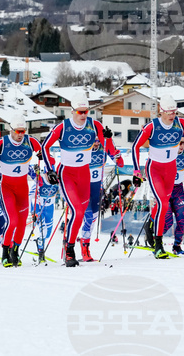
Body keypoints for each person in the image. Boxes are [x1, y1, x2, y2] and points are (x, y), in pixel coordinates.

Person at [131, 95, 184, 259]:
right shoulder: (153, 126)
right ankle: (158, 245)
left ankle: (151, 223)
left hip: (171, 169)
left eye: (174, 112)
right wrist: (136, 171)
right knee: (163, 203)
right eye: (169, 112)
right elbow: (135, 146)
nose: (172, 115)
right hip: (155, 168)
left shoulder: (181, 123)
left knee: (162, 205)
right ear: (161, 111)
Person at [42, 97, 110, 267]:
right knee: (78, 211)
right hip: (68, 175)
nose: (83, 115)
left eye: (86, 111)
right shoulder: (63, 127)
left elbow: (107, 145)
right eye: (80, 112)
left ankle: (73, 244)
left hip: (84, 175)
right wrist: (50, 169)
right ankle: (70, 249)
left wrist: (108, 139)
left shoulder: (94, 125)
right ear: (72, 111)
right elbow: (45, 147)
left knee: (80, 215)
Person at [0, 116, 44, 267]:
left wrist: (42, 155)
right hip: (7, 187)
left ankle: (15, 252)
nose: (20, 134)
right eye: (17, 131)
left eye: (23, 131)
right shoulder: (2, 143)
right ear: (11, 130)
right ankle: (4, 252)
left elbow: (45, 152)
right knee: (13, 221)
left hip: (23, 187)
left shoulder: (30, 141)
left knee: (23, 223)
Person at [79, 134, 125, 262]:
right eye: (94, 141)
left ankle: (85, 245)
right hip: (83, 189)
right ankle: (82, 249)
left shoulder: (103, 151)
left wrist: (118, 156)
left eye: (99, 141)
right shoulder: (82, 150)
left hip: (96, 190)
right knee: (87, 218)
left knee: (92, 221)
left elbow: (120, 164)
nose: (97, 143)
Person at [30, 165, 59, 259]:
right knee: (44, 230)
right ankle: (41, 253)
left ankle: (39, 242)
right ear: (45, 173)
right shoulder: (40, 181)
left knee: (47, 234)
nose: (51, 178)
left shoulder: (56, 182)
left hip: (50, 210)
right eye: (48, 175)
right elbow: (30, 197)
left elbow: (64, 192)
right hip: (39, 209)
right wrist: (33, 211)